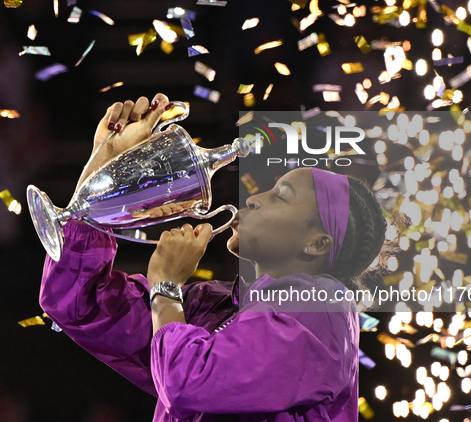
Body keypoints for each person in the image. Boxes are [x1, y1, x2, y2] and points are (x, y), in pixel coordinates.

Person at [39, 94, 387, 422]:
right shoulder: (213, 305)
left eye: (281, 197)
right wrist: (109, 162)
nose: (253, 200)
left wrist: (165, 288)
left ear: (316, 243)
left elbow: (189, 382)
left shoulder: (324, 311)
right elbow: (75, 303)